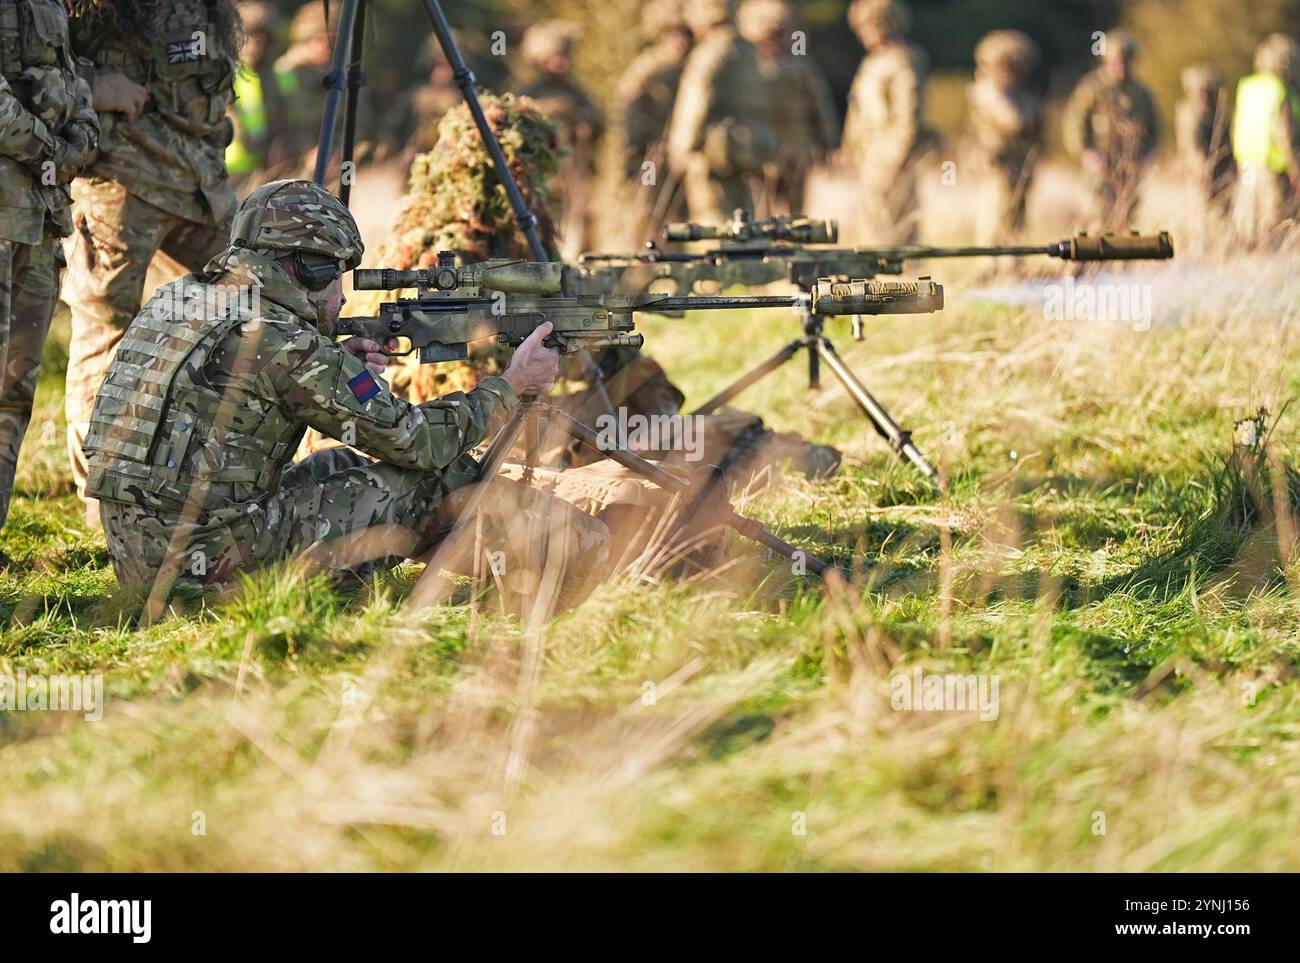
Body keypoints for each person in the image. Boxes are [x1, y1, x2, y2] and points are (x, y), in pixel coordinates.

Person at [83, 180, 609, 614]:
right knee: (425, 485)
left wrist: (335, 361)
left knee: (336, 465)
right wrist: (510, 386)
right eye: (335, 275)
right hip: (212, 582)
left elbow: (233, 387)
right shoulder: (288, 344)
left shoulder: (177, 298)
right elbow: (417, 442)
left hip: (140, 558)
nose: (342, 295)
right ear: (306, 269)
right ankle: (594, 552)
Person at [63, 0, 242, 526]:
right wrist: (93, 83)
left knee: (261, 307)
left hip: (201, 185)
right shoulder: (88, 8)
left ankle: (239, 473)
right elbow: (31, 55)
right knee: (106, 337)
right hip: (121, 185)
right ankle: (104, 505)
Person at [0, 0, 99, 566]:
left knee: (14, 391)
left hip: (37, 222)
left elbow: (75, 90)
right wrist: (47, 144)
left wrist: (76, 141)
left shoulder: (51, 6)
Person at [666, 0, 777, 222]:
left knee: (712, 220)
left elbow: (696, 102)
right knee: (743, 221)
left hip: (715, 157)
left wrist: (680, 148)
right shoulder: (748, 50)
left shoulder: (711, 51)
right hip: (748, 151)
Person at [839, 0, 931, 243]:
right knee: (873, 222)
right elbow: (857, 108)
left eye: (867, 27)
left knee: (898, 219)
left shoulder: (902, 62)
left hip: (890, 152)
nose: (862, 35)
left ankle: (908, 275)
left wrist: (896, 156)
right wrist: (850, 146)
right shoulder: (872, 63)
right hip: (870, 151)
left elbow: (907, 115)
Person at [737, 0, 839, 215]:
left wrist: (827, 146)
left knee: (792, 216)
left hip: (790, 152)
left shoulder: (799, 67)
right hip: (764, 152)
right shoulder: (752, 68)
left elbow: (820, 109)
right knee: (762, 213)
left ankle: (792, 248)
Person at [515, 20, 604, 256]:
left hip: (573, 180)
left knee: (578, 238)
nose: (561, 62)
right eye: (555, 56)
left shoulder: (577, 93)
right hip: (540, 182)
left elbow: (597, 125)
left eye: (565, 55)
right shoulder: (528, 92)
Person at [1063, 30, 1159, 232]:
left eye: (1125, 61)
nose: (1121, 67)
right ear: (1106, 60)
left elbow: (1155, 129)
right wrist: (1086, 152)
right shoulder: (1092, 87)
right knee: (1099, 214)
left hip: (1130, 166)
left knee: (1127, 216)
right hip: (1101, 165)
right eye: (1116, 61)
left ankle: (1123, 259)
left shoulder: (1141, 93)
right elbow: (1074, 123)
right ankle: (1097, 259)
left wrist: (1147, 156)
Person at [967, 29, 1042, 245]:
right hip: (997, 164)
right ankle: (993, 262)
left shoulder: (1016, 93)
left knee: (1015, 216)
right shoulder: (987, 91)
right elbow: (1014, 121)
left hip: (1018, 164)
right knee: (995, 213)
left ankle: (1012, 261)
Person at [1231, 34, 1300, 246]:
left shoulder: (1248, 87)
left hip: (1248, 163)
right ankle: (1270, 254)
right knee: (1274, 213)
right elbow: (1285, 134)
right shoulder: (1281, 90)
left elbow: (1237, 123)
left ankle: (1247, 250)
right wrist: (1294, 167)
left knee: (1250, 208)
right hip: (1272, 166)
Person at [615, 1, 694, 181]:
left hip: (677, 147)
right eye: (673, 35)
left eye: (684, 35)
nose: (680, 42)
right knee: (647, 190)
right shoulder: (648, 67)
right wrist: (635, 147)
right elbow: (627, 105)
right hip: (649, 148)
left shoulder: (690, 65)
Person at [225, 1, 289, 183]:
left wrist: (280, 143)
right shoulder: (224, 74)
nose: (254, 46)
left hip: (262, 167)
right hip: (228, 168)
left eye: (260, 40)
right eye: (246, 38)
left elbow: (281, 117)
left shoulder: (271, 75)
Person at [1175, 63, 1233, 217]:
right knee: (1203, 216)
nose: (1205, 97)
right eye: (1200, 93)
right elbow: (1192, 147)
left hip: (1221, 175)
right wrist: (1202, 171)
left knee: (1221, 215)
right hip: (1199, 176)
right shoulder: (1189, 114)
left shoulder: (1218, 114)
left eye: (1209, 92)